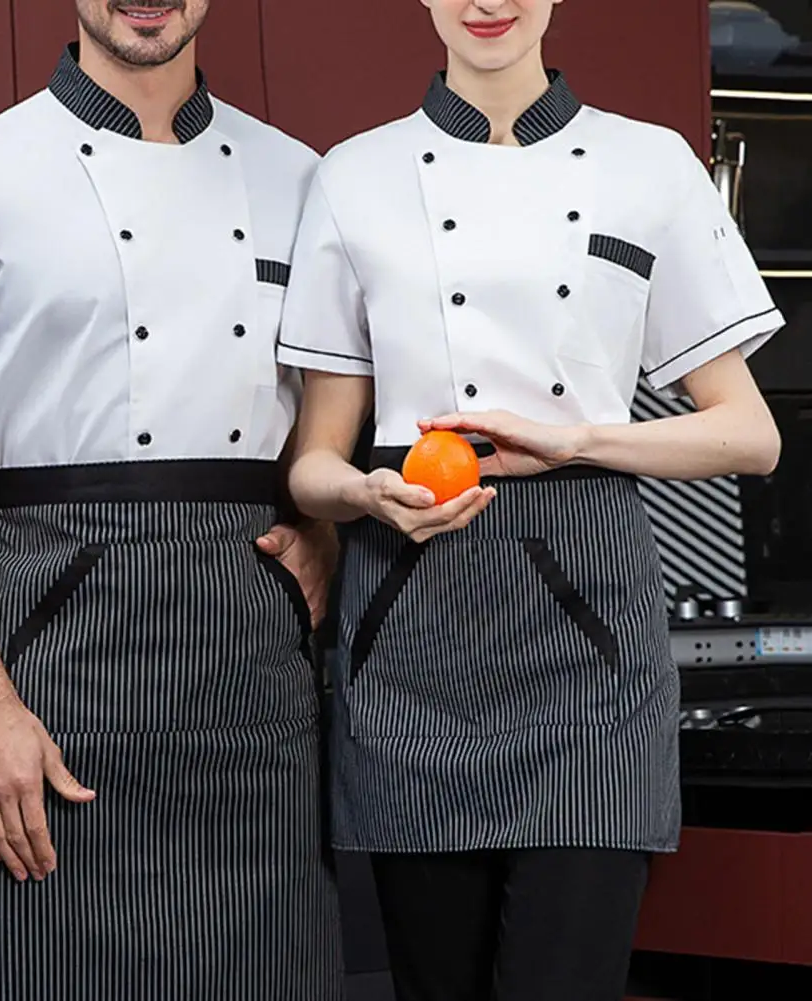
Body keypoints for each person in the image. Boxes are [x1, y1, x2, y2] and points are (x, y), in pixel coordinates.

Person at [277, 1, 783, 999]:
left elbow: (749, 434)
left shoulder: (649, 167)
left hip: (589, 633)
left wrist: (580, 438)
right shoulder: (352, 176)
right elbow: (311, 466)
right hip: (409, 616)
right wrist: (369, 496)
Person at [0, 2, 344, 999]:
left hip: (249, 663)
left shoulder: (303, 182)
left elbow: (327, 414)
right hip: (51, 650)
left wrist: (321, 527)